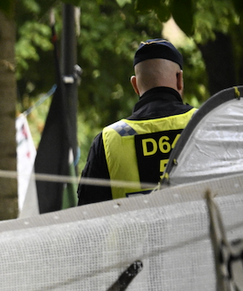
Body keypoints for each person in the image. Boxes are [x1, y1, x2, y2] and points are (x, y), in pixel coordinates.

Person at [78, 39, 196, 205]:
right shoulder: (204, 124)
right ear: (179, 79)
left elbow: (86, 216)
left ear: (135, 84)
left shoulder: (108, 140)